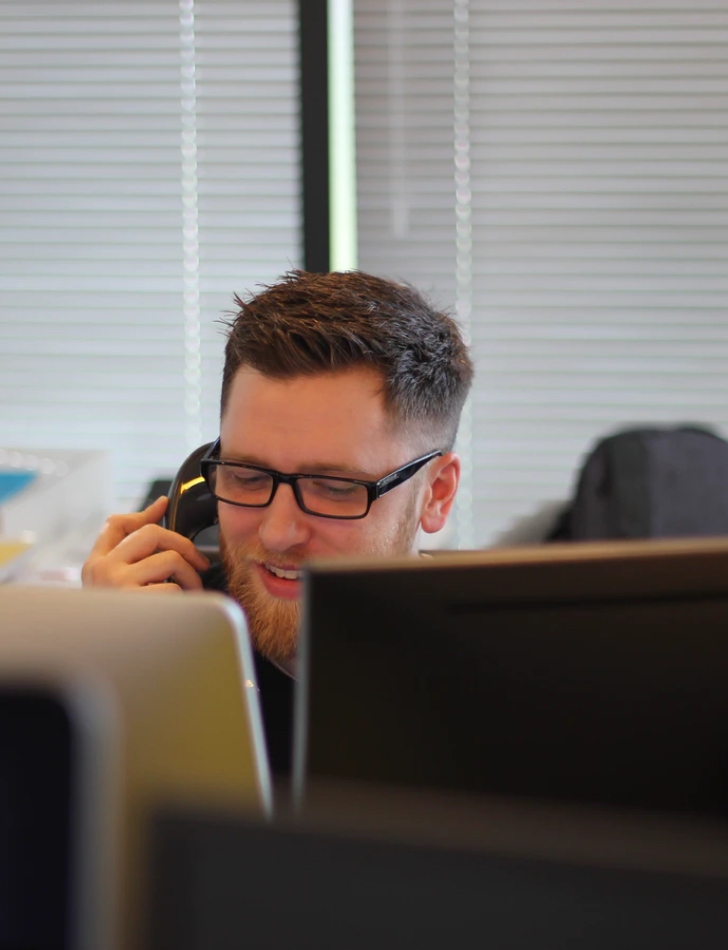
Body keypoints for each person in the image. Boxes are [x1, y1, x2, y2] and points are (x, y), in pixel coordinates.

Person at [82, 269, 473, 773]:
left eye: (334, 488)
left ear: (436, 494)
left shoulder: (505, 693)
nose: (277, 533)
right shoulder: (158, 641)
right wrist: (100, 669)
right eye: (246, 475)